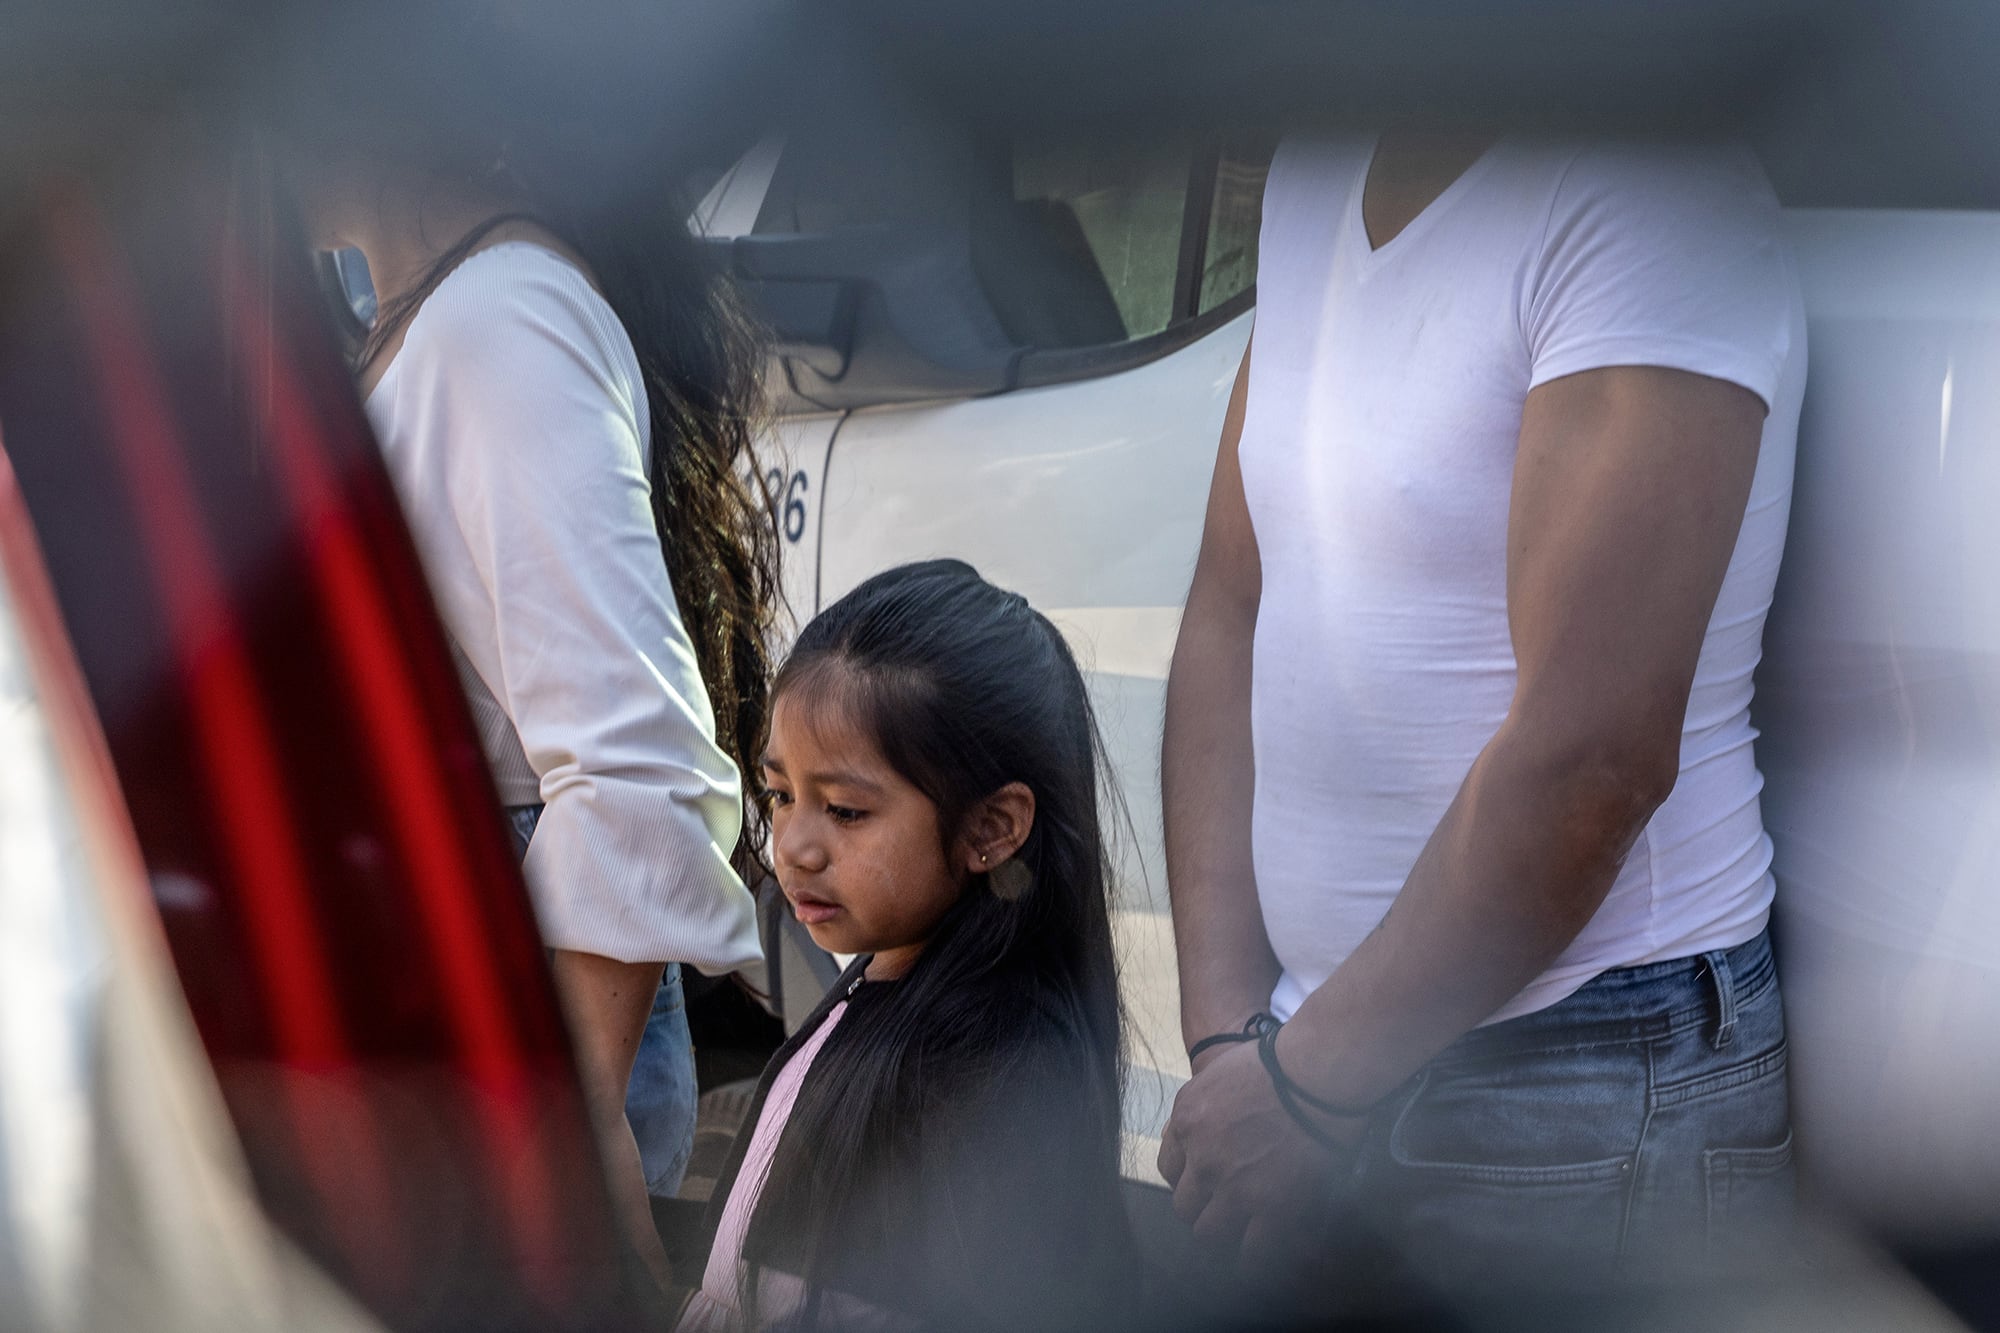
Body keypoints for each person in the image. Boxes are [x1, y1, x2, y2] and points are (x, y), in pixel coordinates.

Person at [1158, 132, 1806, 1294]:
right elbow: (1229, 599)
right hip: (1308, 1062)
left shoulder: (1647, 192)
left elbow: (1589, 762)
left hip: (1578, 1072)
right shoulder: (1316, 175)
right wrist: (1228, 1046)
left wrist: (1301, 1082)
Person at [281, 81, 777, 1280]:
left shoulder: (494, 321)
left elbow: (638, 760)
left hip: (517, 1015)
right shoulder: (435, 315)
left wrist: (565, 1112)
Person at [676, 560, 1133, 1332]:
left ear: (991, 828)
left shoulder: (982, 1071)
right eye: (781, 794)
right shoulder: (878, 987)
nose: (793, 846)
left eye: (846, 810)